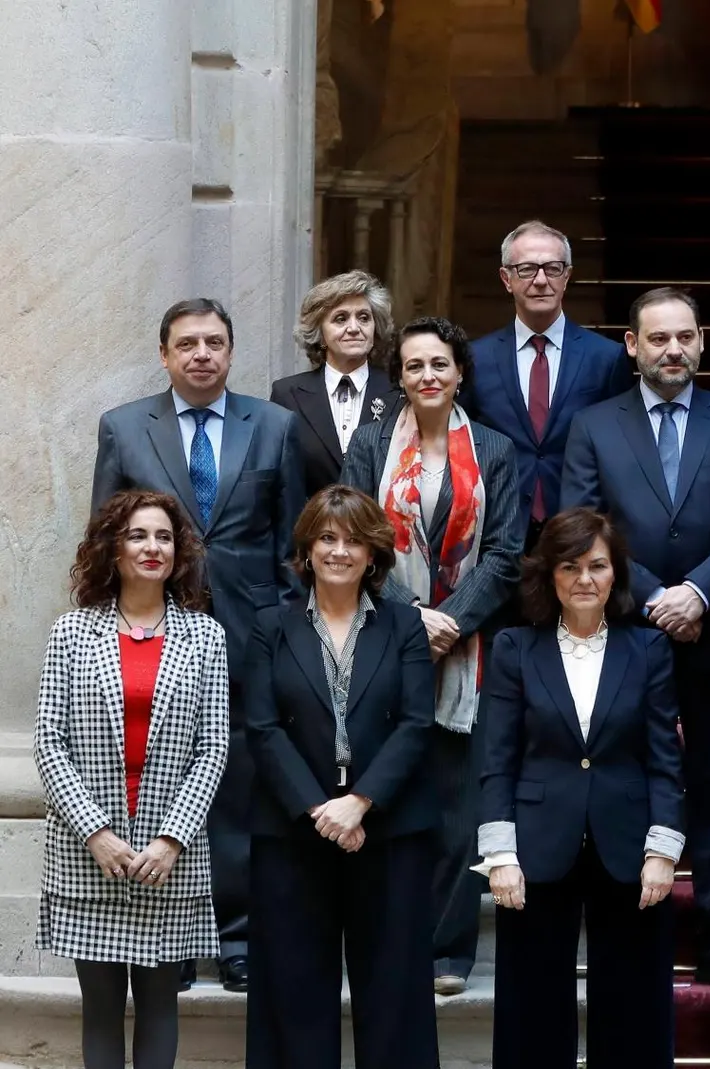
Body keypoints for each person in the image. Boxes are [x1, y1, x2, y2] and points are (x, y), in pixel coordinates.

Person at [563, 287, 710, 992]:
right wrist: (657, 596)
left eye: (685, 336)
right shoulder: (594, 425)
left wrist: (699, 592)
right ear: (632, 346)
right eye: (658, 338)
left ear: (702, 341)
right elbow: (582, 524)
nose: (673, 349)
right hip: (627, 632)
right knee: (626, 785)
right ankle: (632, 935)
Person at [92, 297, 305, 992]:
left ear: (231, 352)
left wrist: (286, 629)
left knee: (241, 787)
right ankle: (170, 937)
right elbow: (105, 538)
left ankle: (237, 937)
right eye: (187, 343)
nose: (202, 354)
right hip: (153, 631)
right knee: (159, 783)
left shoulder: (273, 425)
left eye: (214, 342)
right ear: (164, 354)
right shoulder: (124, 427)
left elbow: (292, 544)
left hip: (251, 634)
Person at [338, 316, 522, 995]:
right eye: (414, 365)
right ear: (400, 377)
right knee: (385, 792)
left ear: (460, 372)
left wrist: (451, 620)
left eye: (439, 363)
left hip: (468, 649)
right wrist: (411, 620)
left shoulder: (495, 450)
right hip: (384, 639)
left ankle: (448, 950)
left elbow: (505, 553)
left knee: (455, 802)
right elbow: (352, 537)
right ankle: (385, 941)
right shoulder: (370, 445)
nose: (428, 375)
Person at [477, 508, 685, 1069]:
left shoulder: (650, 650)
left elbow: (665, 761)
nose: (584, 579)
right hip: (536, 847)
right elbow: (497, 759)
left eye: (597, 565)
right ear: (549, 575)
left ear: (617, 572)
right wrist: (500, 855)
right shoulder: (515, 647)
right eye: (570, 567)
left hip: (630, 847)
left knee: (634, 1010)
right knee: (531, 1011)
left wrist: (663, 850)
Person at [240, 486, 438, 1068]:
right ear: (306, 549)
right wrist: (319, 809)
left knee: (395, 997)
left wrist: (361, 801)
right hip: (293, 834)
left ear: (373, 554)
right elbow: (262, 727)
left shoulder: (405, 625)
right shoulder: (270, 626)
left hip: (389, 831)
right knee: (293, 995)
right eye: (327, 538)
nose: (339, 551)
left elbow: (416, 724)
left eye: (353, 540)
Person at [34, 490, 229, 1069]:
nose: (152, 547)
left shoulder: (206, 637)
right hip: (87, 856)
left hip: (167, 860)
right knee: (99, 1010)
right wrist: (96, 833)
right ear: (113, 548)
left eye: (164, 537)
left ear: (178, 552)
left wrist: (171, 840)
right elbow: (48, 742)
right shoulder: (71, 632)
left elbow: (213, 748)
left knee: (160, 1007)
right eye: (138, 535)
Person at [464, 220, 634, 550]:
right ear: (506, 279)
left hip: (579, 534)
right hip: (496, 532)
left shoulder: (607, 358)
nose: (541, 280)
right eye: (527, 269)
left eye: (553, 268)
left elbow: (621, 452)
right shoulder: (475, 359)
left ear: (566, 276)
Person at [269, 271, 404, 498]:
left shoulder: (399, 391)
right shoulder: (287, 394)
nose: (354, 328)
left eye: (364, 318)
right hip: (311, 520)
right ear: (320, 334)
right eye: (341, 319)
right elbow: (279, 481)